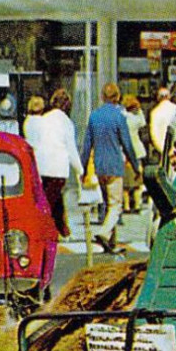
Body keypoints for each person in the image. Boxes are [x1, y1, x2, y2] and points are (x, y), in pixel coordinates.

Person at [80, 82, 140, 253]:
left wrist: (84, 169)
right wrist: (136, 167)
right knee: (116, 206)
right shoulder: (119, 116)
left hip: (99, 166)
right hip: (114, 166)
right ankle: (104, 233)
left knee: (107, 204)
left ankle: (111, 244)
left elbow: (87, 146)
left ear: (102, 97)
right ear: (117, 97)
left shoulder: (94, 116)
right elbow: (127, 144)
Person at [33, 89, 82, 239]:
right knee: (50, 200)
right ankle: (44, 230)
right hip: (58, 166)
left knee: (54, 197)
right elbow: (71, 148)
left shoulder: (44, 119)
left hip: (42, 165)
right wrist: (80, 169)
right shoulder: (66, 122)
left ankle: (62, 229)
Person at [121, 93, 148, 212]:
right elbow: (143, 123)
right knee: (137, 180)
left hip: (124, 152)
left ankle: (126, 206)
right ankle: (137, 205)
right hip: (137, 150)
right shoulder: (136, 119)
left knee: (125, 182)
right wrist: (140, 110)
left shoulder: (122, 117)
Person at [148, 86, 176, 160]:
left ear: (158, 97)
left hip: (162, 150)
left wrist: (162, 149)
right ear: (169, 96)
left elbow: (153, 134)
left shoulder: (154, 112)